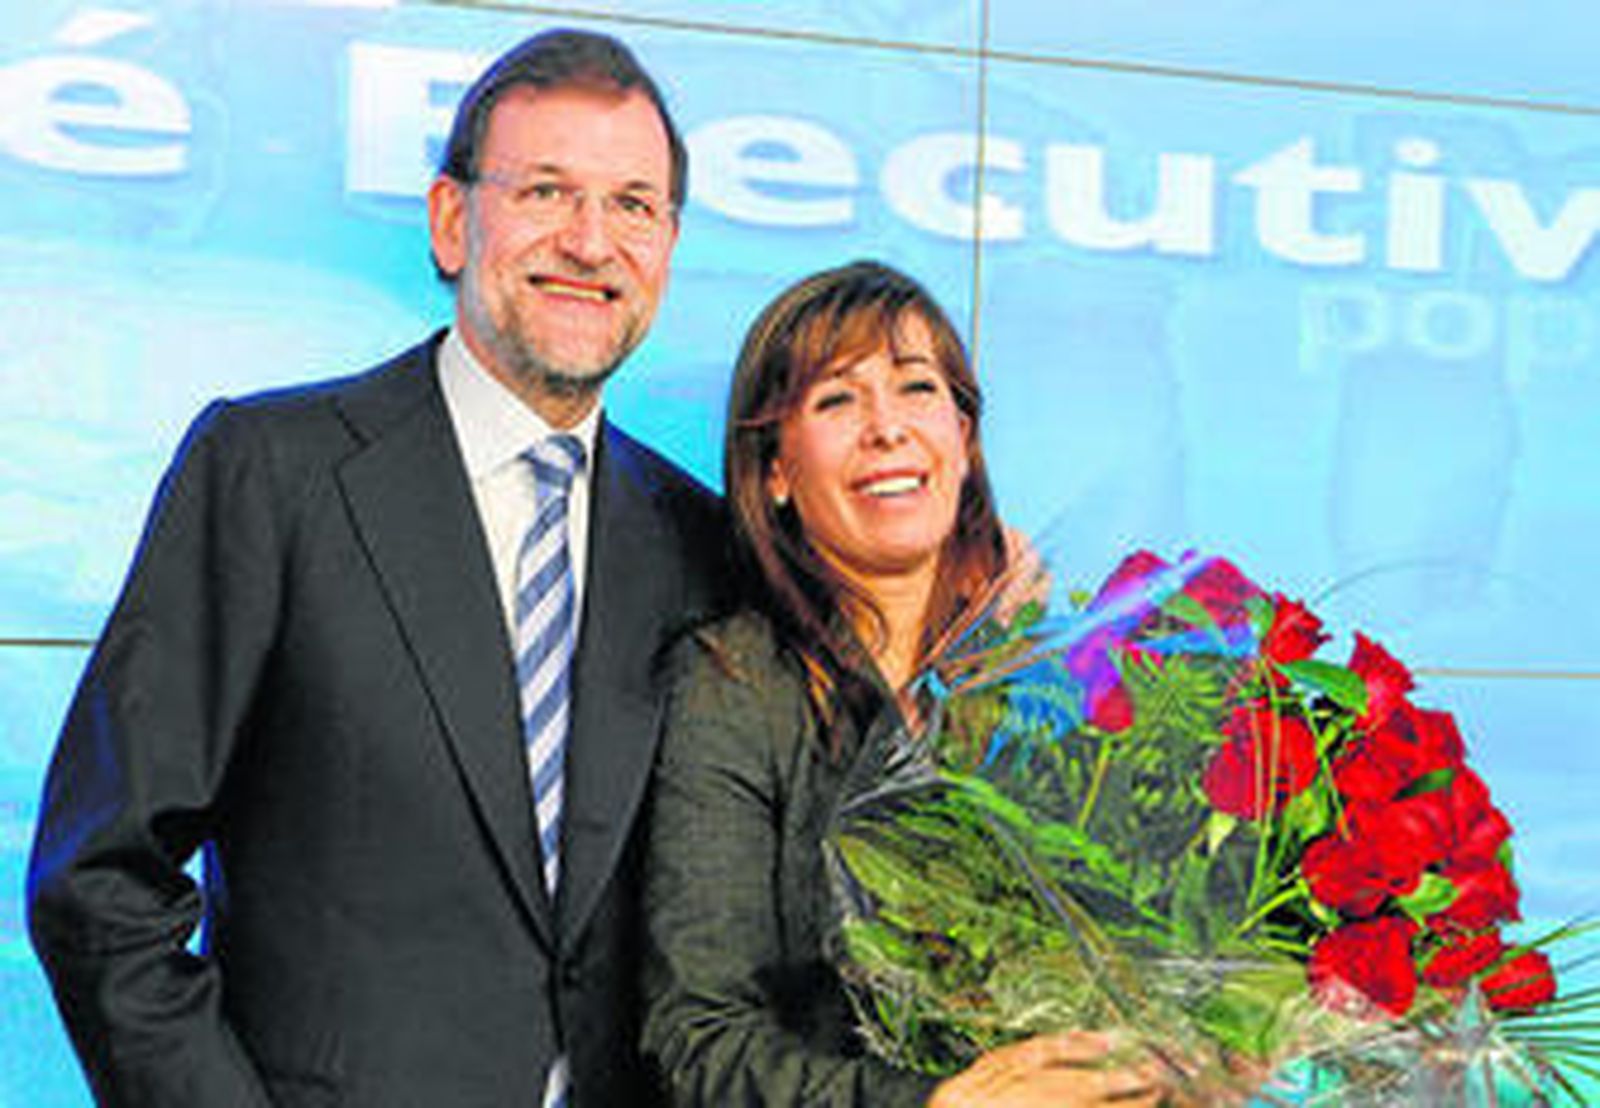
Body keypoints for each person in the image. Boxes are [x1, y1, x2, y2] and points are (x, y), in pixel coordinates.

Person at [27, 29, 729, 1107]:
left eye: (633, 204)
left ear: (668, 244)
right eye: (546, 191)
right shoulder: (269, 473)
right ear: (452, 219)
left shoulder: (697, 541)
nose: (592, 242)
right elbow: (100, 876)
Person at [641, 260, 1167, 1106]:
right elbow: (697, 1040)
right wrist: (937, 1104)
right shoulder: (734, 683)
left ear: (964, 438)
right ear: (775, 471)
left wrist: (1198, 1053)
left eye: (917, 387)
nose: (886, 428)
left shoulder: (1068, 670)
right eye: (836, 400)